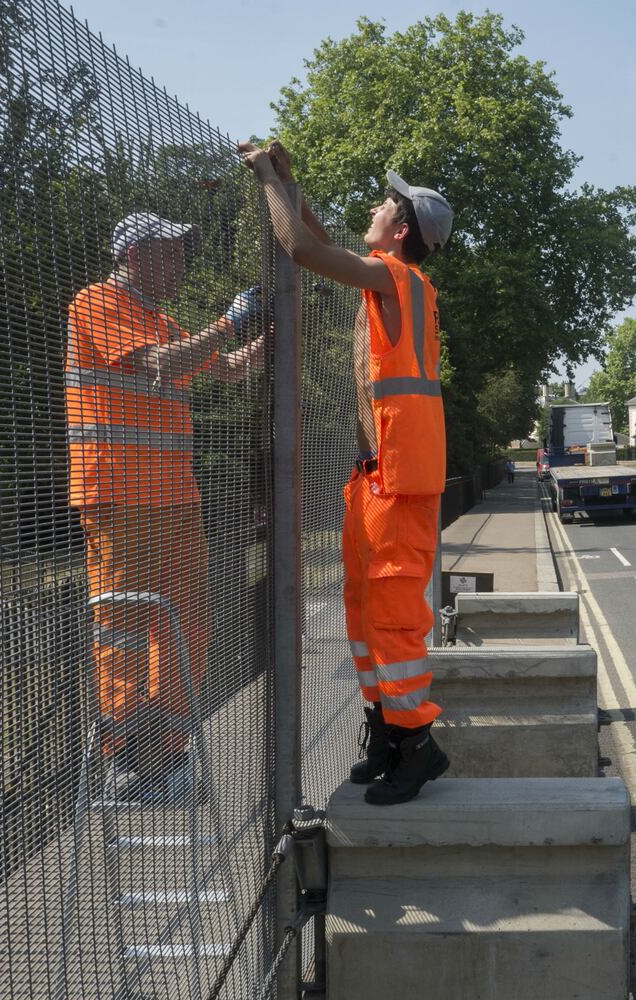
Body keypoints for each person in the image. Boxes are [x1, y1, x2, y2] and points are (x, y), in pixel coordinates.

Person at [240, 139, 453, 805]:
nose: (373, 205)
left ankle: (417, 746)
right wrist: (292, 187)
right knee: (362, 615)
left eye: (384, 203)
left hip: (396, 483)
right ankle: (386, 730)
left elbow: (302, 252)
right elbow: (321, 241)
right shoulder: (387, 277)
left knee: (390, 621)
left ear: (400, 228)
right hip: (377, 480)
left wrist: (267, 181)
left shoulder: (397, 279)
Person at [66, 212, 264, 801]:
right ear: (134, 255)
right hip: (119, 498)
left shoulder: (164, 320)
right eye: (171, 253)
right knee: (122, 628)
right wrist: (230, 319)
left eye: (182, 252)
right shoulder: (95, 303)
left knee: (187, 627)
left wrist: (265, 338)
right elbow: (158, 366)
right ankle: (126, 758)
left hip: (174, 500)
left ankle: (169, 751)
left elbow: (226, 370)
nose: (181, 264)